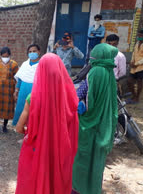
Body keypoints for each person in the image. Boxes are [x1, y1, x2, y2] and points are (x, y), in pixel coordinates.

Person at [15, 53, 79, 194]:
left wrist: (29, 130)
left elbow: (19, 127)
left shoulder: (33, 98)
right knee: (56, 177)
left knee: (34, 177)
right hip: (62, 148)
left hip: (37, 148)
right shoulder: (70, 97)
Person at [72, 43, 118, 194]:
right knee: (97, 161)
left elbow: (80, 96)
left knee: (83, 158)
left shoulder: (94, 72)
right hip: (104, 123)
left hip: (88, 124)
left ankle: (78, 188)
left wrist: (79, 104)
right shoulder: (109, 73)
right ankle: (93, 188)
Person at [0, 47, 19, 133]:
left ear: (10, 55)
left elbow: (17, 78)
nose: (5, 58)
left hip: (9, 90)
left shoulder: (14, 64)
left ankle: (5, 126)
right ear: (1, 56)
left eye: (6, 56)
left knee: (7, 108)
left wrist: (16, 91)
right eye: (3, 56)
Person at [12, 44, 41, 126]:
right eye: (30, 52)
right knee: (21, 109)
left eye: (34, 51)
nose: (32, 53)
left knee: (34, 111)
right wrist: (16, 91)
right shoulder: (25, 64)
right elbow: (20, 79)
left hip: (35, 90)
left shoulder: (42, 64)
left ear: (39, 52)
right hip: (23, 90)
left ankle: (32, 131)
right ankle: (22, 130)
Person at [127, 29, 143, 104]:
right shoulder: (137, 43)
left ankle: (137, 98)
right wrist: (132, 62)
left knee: (139, 81)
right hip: (134, 66)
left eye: (141, 35)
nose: (139, 36)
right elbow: (134, 53)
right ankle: (133, 96)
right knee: (129, 81)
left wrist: (136, 63)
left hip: (141, 66)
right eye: (138, 35)